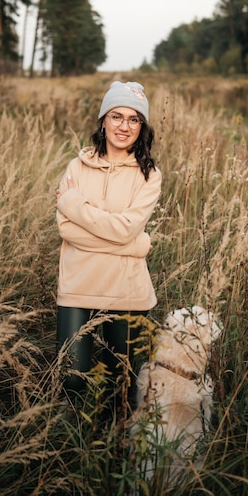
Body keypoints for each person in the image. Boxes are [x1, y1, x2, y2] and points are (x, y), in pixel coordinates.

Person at [55, 81, 161, 416]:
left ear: (141, 127)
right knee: (72, 378)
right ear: (103, 120)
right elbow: (66, 229)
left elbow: (126, 227)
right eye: (117, 116)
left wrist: (75, 204)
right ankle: (73, 450)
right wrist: (134, 246)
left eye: (133, 119)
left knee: (122, 385)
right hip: (77, 285)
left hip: (126, 289)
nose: (124, 126)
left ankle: (117, 450)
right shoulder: (76, 168)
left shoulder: (149, 175)